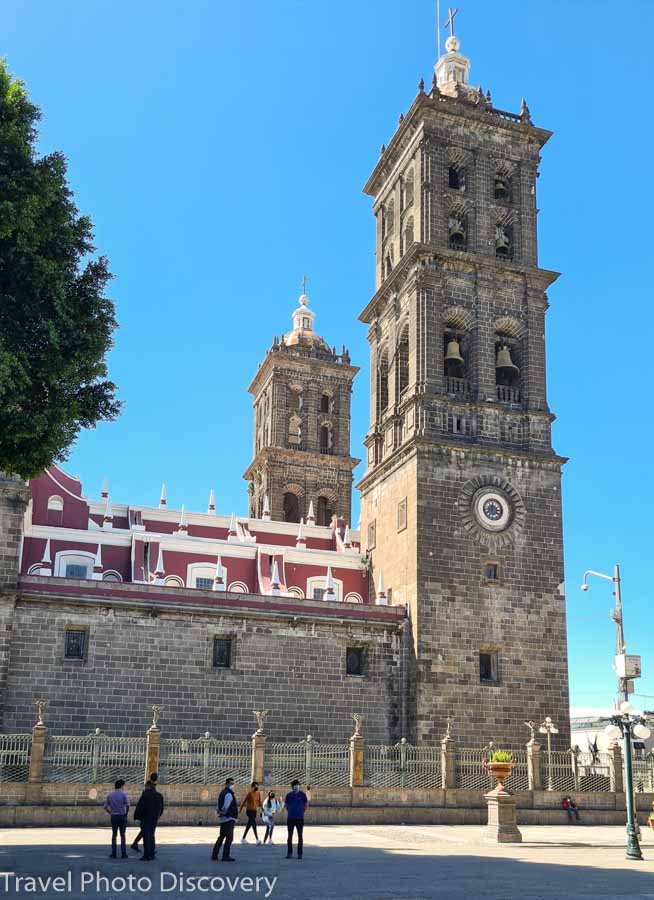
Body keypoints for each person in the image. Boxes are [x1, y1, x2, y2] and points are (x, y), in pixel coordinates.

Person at [134, 772, 164, 861]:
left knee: (146, 837)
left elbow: (140, 807)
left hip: (145, 818)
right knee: (151, 836)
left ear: (148, 786)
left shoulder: (145, 795)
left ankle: (146, 855)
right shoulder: (159, 796)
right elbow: (161, 809)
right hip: (154, 819)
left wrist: (137, 816)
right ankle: (152, 853)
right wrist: (157, 816)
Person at [212, 778, 238, 862]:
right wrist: (223, 813)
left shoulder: (222, 793)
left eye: (233, 783)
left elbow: (218, 805)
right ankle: (225, 856)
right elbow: (225, 807)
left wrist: (219, 813)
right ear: (226, 784)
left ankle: (214, 854)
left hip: (223, 819)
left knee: (222, 836)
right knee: (229, 838)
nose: (232, 785)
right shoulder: (228, 794)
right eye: (231, 783)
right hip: (229, 818)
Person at [104, 778, 130, 859]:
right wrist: (126, 814)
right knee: (122, 835)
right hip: (122, 816)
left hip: (114, 816)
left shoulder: (110, 795)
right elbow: (128, 805)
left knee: (114, 835)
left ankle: (113, 853)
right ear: (121, 785)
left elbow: (105, 806)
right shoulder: (124, 794)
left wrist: (110, 812)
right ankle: (123, 853)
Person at [284, 779, 308, 859]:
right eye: (295, 786)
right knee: (289, 836)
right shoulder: (289, 795)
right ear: (292, 787)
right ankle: (289, 853)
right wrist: (291, 811)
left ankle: (300, 853)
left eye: (298, 785)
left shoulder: (303, 795)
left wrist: (301, 812)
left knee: (300, 836)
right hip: (290, 818)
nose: (297, 787)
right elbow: (286, 806)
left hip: (299, 819)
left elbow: (305, 805)